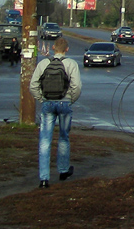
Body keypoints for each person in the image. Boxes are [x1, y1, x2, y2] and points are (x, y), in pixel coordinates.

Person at [29, 36, 82, 189]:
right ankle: (63, 170)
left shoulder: (43, 63)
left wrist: (42, 99)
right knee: (64, 137)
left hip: (47, 103)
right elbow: (77, 87)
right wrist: (69, 100)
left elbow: (33, 85)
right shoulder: (71, 64)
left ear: (53, 48)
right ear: (67, 49)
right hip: (64, 103)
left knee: (45, 140)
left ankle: (44, 179)